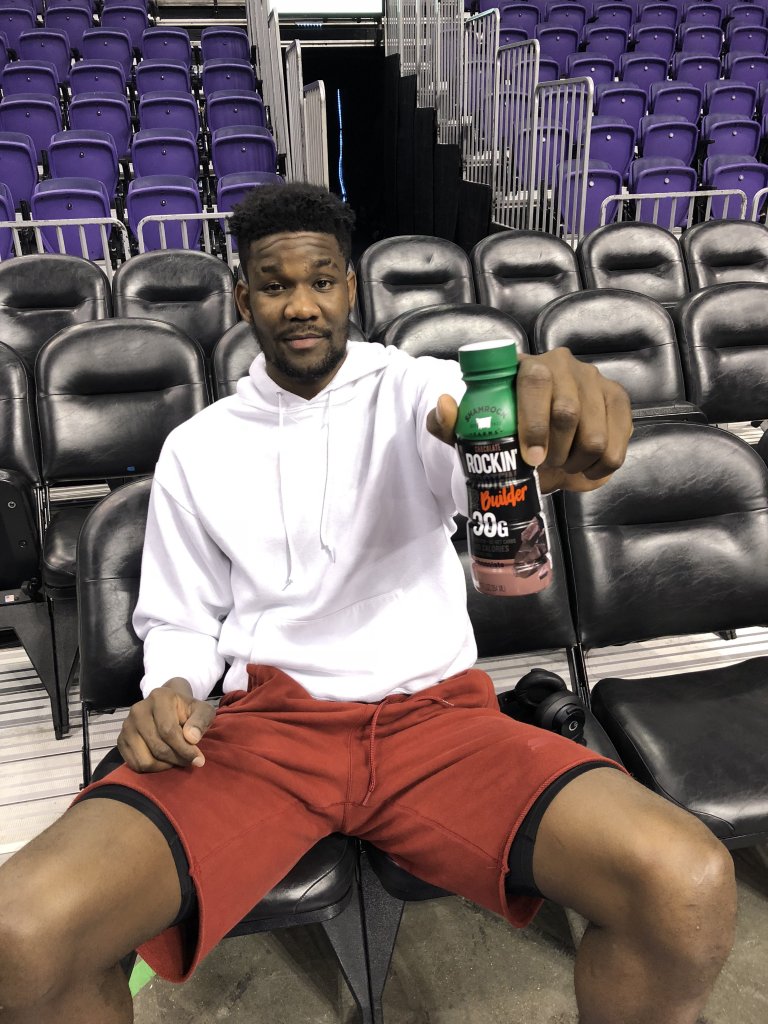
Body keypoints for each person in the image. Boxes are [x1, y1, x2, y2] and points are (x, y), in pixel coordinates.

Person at [0, 183, 735, 1024]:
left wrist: (537, 400)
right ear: (243, 300)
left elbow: (479, 430)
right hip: (264, 732)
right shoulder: (198, 447)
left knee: (684, 883)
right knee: (24, 936)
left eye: (322, 280)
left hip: (437, 723)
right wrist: (170, 688)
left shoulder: (419, 392)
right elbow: (180, 614)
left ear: (351, 288)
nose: (301, 304)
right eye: (275, 285)